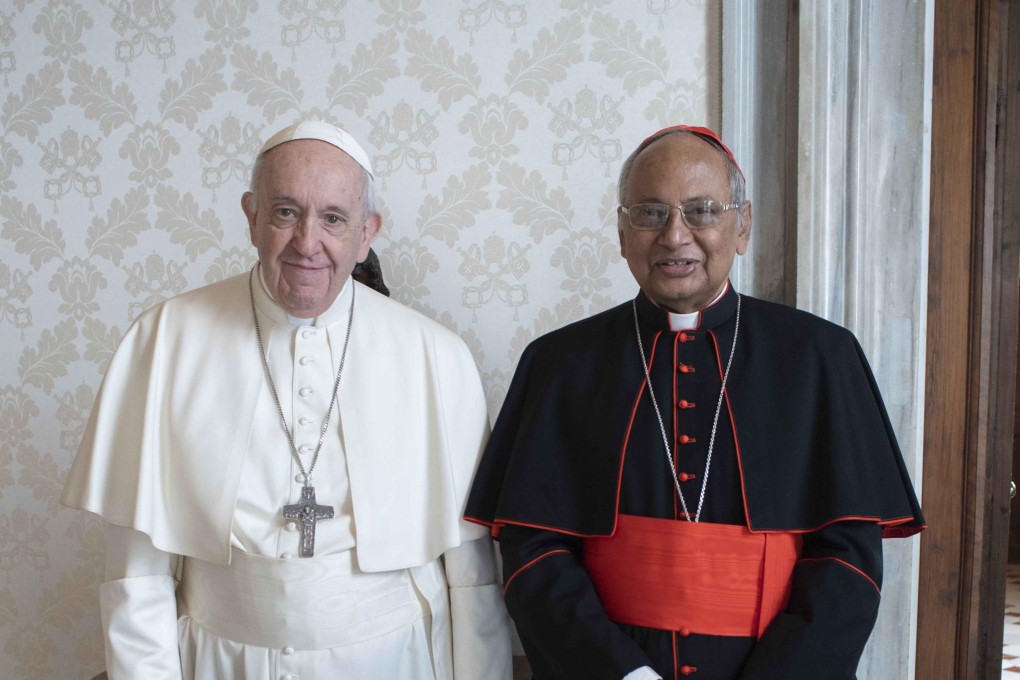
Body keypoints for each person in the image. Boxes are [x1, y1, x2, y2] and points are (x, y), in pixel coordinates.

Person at [464, 125, 924, 680]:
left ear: (742, 225)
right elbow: (534, 555)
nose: (675, 236)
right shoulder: (559, 364)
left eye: (702, 210)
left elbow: (849, 557)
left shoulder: (820, 357)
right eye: (651, 213)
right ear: (621, 231)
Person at [62, 121, 512, 680]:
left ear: (367, 231)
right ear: (251, 215)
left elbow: (472, 575)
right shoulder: (165, 340)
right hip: (219, 661)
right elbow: (137, 575)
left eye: (333, 218)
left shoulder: (436, 356)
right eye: (284, 212)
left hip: (395, 661)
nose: (307, 243)